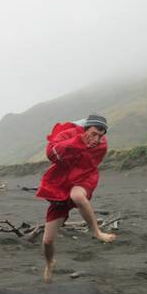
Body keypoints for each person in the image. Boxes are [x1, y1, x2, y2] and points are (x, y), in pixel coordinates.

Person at [36, 114, 116, 283]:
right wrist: (79, 142)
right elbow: (52, 153)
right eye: (93, 133)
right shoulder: (69, 134)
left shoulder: (101, 145)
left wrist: (87, 146)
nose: (97, 139)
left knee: (77, 196)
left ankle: (96, 232)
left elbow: (87, 166)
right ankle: (50, 263)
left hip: (84, 179)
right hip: (60, 187)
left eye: (101, 135)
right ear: (85, 128)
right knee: (48, 241)